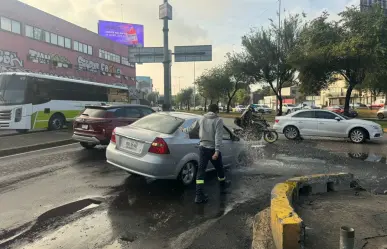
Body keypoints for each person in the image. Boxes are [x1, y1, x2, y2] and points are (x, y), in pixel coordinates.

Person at [184, 104, 231, 204]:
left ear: (208, 110)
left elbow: (191, 128)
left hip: (203, 148)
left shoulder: (201, 118)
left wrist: (183, 130)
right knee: (219, 169)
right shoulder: (218, 120)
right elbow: (218, 136)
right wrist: (217, 151)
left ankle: (198, 196)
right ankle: (223, 187)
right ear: (216, 111)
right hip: (213, 149)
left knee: (201, 172)